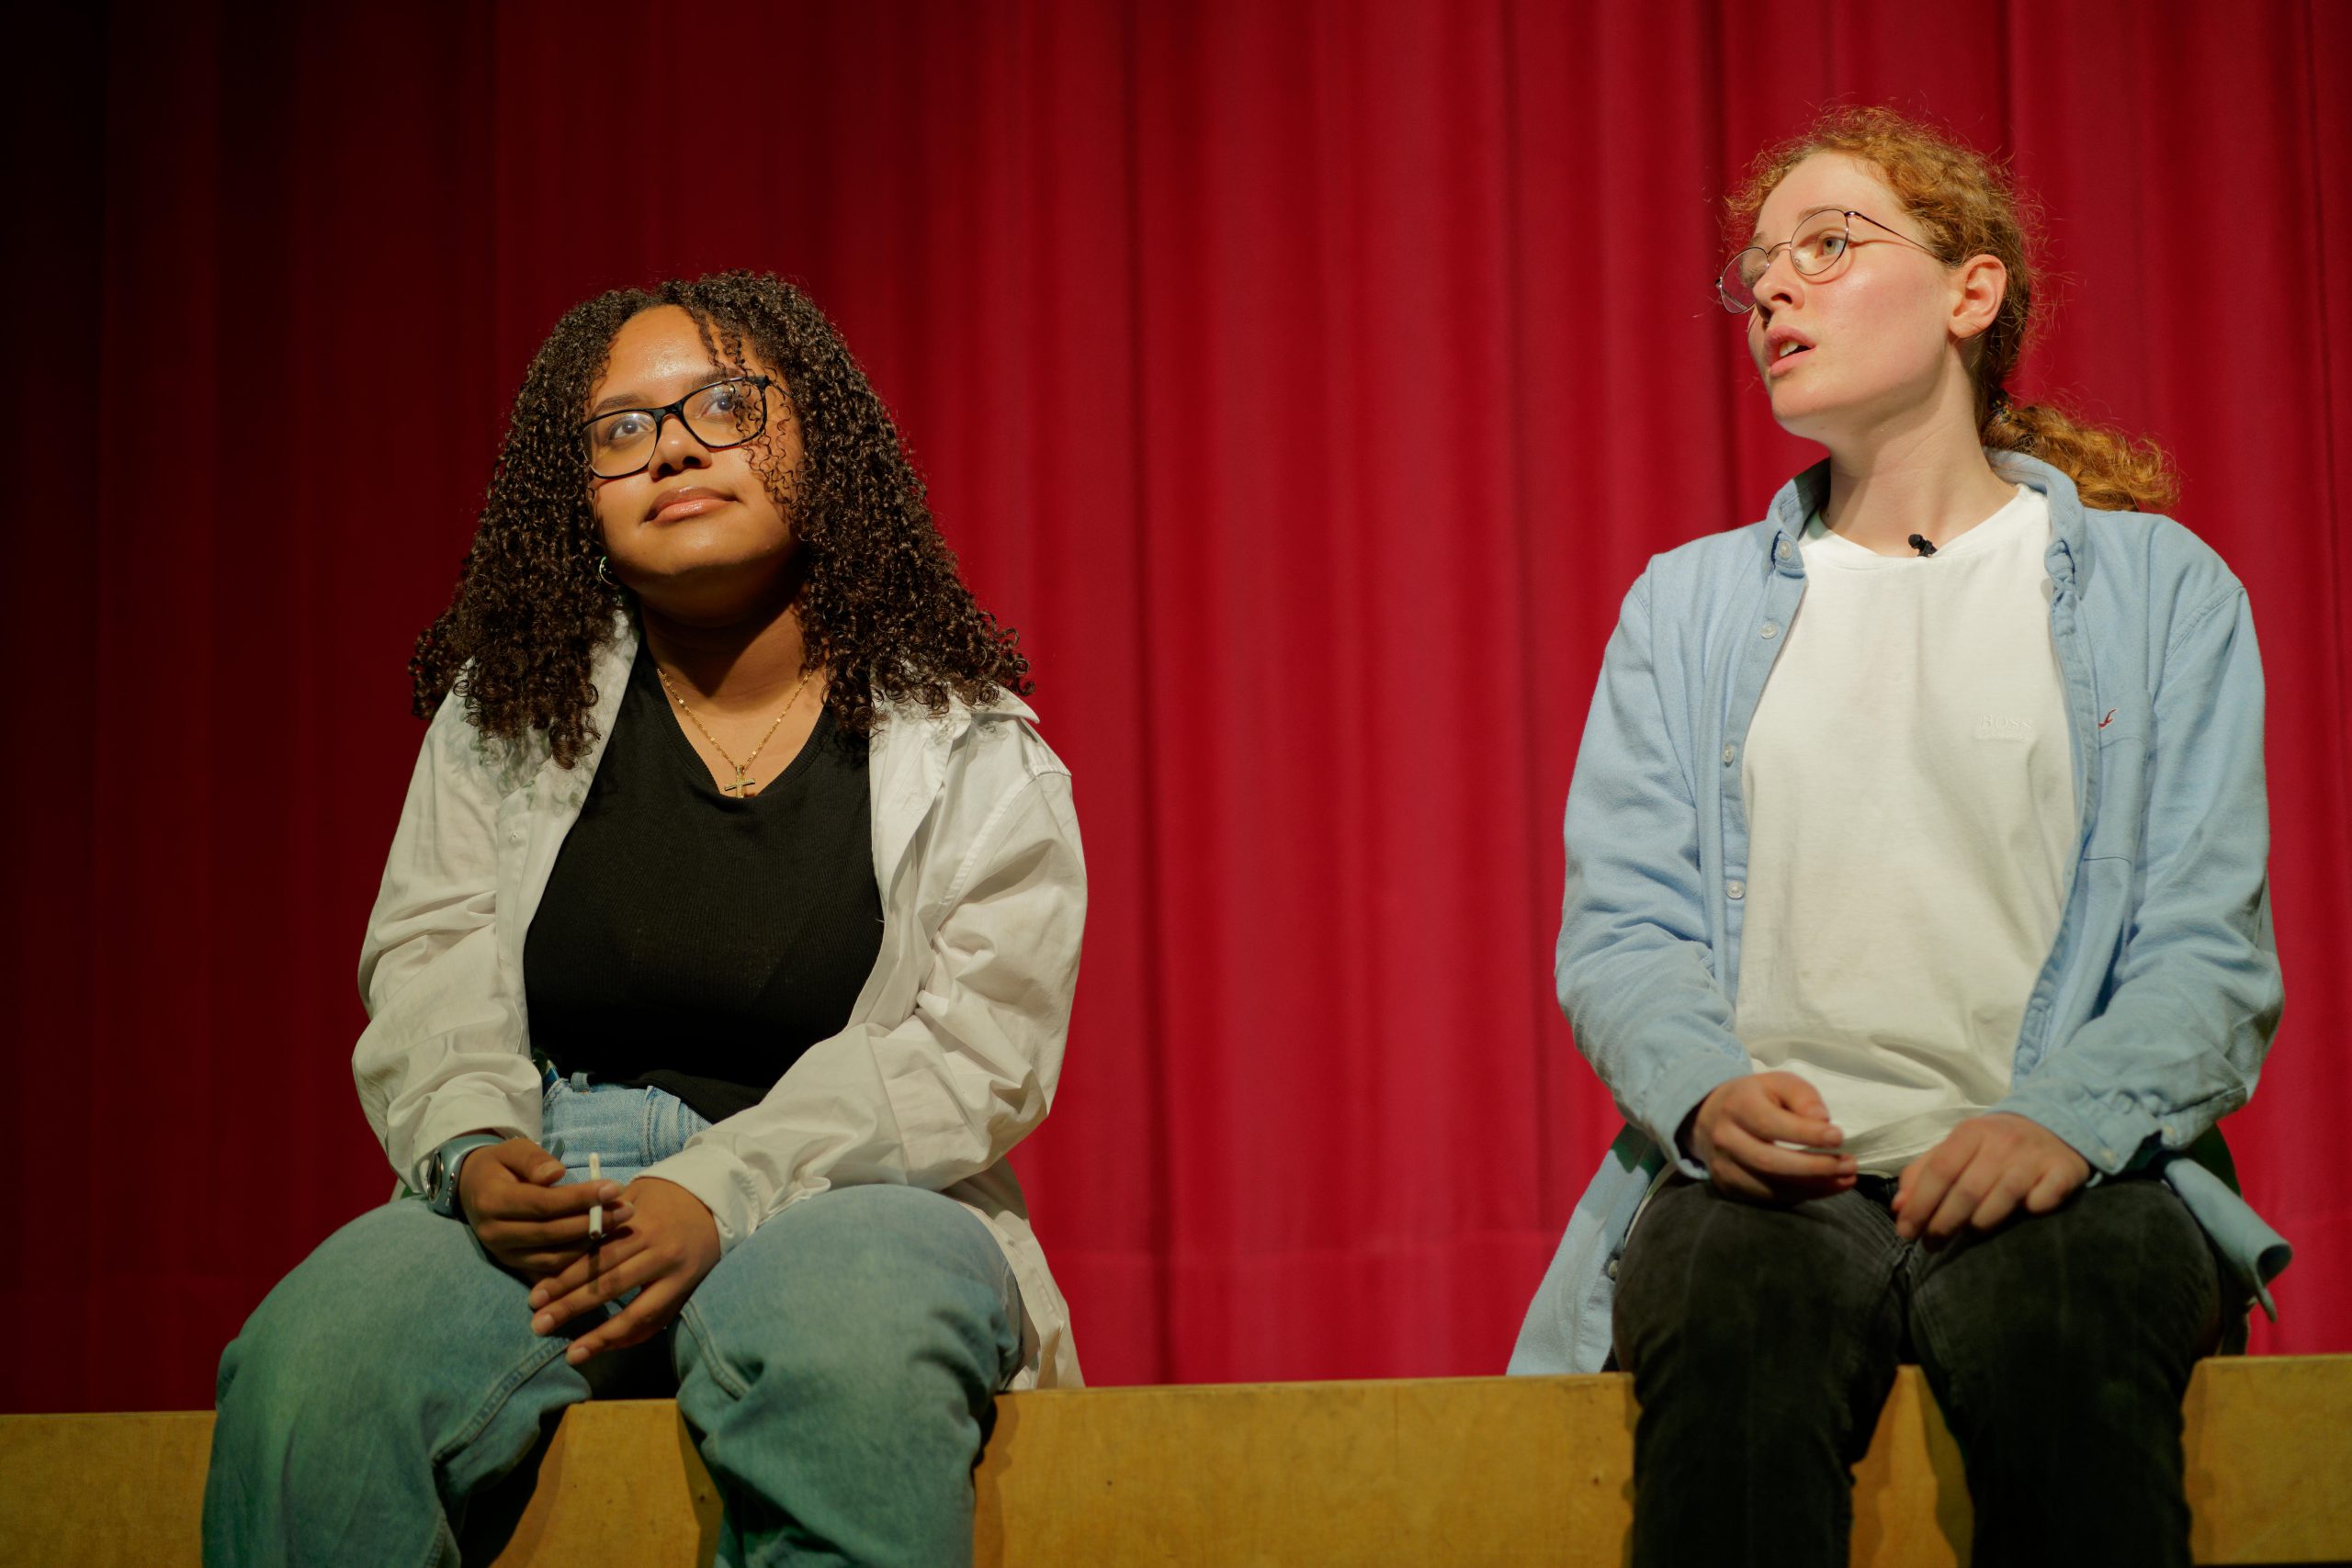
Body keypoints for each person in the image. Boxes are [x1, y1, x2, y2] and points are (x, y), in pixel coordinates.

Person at [203, 271, 1085, 1568]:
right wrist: (472, 1147)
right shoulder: (505, 715)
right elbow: (429, 958)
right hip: (554, 1203)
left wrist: (718, 1189)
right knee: (319, 1359)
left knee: (849, 1332)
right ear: (579, 496)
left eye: (724, 406)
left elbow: (976, 1050)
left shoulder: (973, 746)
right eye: (621, 429)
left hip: (848, 1198)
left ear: (820, 437)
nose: (671, 447)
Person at [1508, 107, 2288, 1567]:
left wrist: (2064, 1123)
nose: (1772, 290)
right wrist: (1701, 1094)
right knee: (1729, 1312)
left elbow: (2206, 947)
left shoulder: (2162, 591)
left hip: (2079, 1175)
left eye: (1826, 245)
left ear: (1970, 293)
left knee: (2071, 1312)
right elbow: (1623, 932)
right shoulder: (1682, 607)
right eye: (1757, 269)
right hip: (1777, 1194)